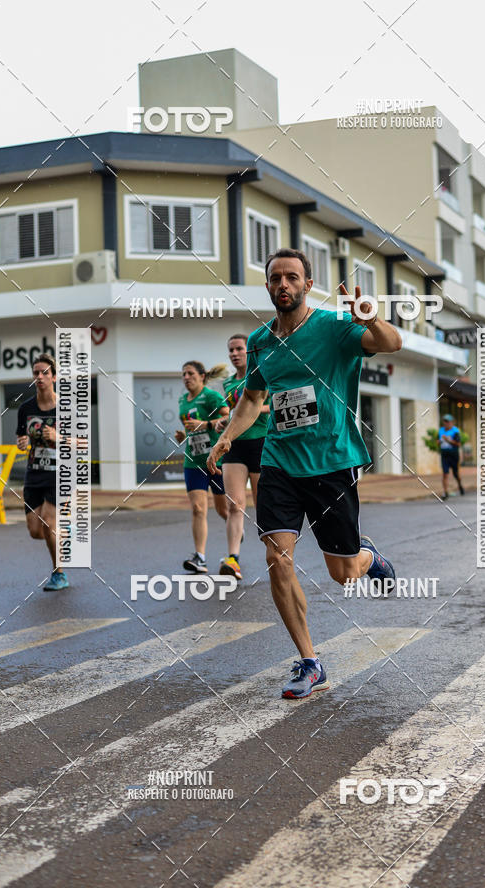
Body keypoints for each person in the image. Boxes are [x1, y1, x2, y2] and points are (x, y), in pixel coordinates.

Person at [208, 248, 402, 700]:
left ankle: (367, 558)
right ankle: (310, 661)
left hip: (332, 462)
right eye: (275, 277)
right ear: (268, 285)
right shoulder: (260, 340)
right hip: (279, 464)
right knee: (278, 559)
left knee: (343, 574)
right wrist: (227, 437)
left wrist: (369, 318)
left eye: (292, 277)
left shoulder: (335, 327)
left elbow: (392, 344)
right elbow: (253, 399)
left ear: (307, 284)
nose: (283, 284)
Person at [215, 334, 270, 581]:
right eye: (231, 350)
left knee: (264, 507)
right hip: (235, 446)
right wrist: (222, 424)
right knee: (234, 504)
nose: (235, 353)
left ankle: (275, 555)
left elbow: (277, 403)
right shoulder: (227, 384)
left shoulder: (263, 375)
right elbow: (229, 414)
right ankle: (233, 559)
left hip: (260, 443)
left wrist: (250, 409)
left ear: (249, 351)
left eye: (239, 349)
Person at [16, 353, 69, 591]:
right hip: (34, 475)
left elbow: (83, 442)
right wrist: (22, 443)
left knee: (48, 524)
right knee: (36, 531)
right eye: (36, 373)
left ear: (54, 377)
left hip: (60, 474)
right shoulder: (25, 408)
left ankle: (59, 574)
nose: (39, 376)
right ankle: (65, 532)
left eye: (44, 372)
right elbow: (21, 436)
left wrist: (59, 437)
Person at [175, 361, 229, 573]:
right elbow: (188, 427)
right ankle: (200, 557)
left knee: (223, 509)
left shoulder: (211, 397)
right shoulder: (182, 400)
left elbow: (228, 417)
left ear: (202, 376)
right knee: (198, 509)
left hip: (216, 460)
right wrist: (183, 435)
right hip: (193, 461)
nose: (186, 377)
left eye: (190, 373)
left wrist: (205, 425)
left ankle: (234, 525)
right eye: (183, 374)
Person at [437, 413, 464, 499]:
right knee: (445, 474)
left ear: (451, 422)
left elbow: (458, 444)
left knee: (456, 473)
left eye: (447, 421)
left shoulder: (455, 431)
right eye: (444, 421)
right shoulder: (441, 430)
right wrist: (439, 441)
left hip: (453, 454)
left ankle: (460, 485)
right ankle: (445, 492)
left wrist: (448, 440)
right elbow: (438, 440)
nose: (446, 423)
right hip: (444, 454)